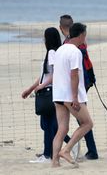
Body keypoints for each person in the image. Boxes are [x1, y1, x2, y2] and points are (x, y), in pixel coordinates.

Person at [52, 23, 93, 167]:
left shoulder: (60, 50)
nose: (85, 38)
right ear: (81, 35)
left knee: (62, 129)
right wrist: (75, 97)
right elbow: (74, 75)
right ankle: (66, 150)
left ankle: (55, 162)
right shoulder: (75, 51)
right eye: (85, 35)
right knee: (87, 123)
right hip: (70, 96)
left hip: (58, 94)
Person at [59, 15, 98, 160]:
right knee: (81, 118)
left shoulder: (70, 45)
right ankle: (85, 149)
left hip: (77, 85)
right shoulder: (80, 43)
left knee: (82, 119)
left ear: (60, 28)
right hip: (84, 82)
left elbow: (73, 72)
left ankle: (83, 149)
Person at [21, 27, 61, 163]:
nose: (43, 39)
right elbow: (44, 75)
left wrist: (42, 86)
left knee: (48, 124)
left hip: (49, 93)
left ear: (48, 39)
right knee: (48, 124)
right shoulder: (53, 52)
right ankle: (54, 149)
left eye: (45, 37)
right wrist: (31, 88)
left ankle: (47, 154)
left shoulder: (51, 52)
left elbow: (56, 74)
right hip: (48, 91)